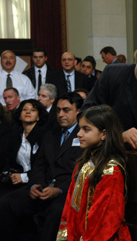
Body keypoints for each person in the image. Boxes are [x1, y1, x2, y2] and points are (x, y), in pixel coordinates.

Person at [0, 92, 84, 241]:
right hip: (42, 187)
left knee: (56, 212)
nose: (61, 114)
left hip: (67, 190)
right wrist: (34, 185)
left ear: (78, 111)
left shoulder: (84, 135)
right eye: (58, 110)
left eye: (66, 110)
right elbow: (39, 164)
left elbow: (81, 172)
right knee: (7, 202)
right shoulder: (51, 133)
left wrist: (59, 189)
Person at [57, 105, 131, 241]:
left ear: (103, 134)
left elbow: (105, 220)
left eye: (86, 129)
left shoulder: (111, 171)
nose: (79, 134)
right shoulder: (83, 163)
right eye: (80, 128)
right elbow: (69, 208)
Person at [0, 99, 48, 197]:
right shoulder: (16, 136)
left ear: (38, 116)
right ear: (20, 115)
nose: (28, 112)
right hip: (16, 182)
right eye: (25, 109)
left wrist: (24, 177)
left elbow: (44, 166)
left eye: (33, 110)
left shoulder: (44, 136)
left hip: (37, 183)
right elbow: (9, 160)